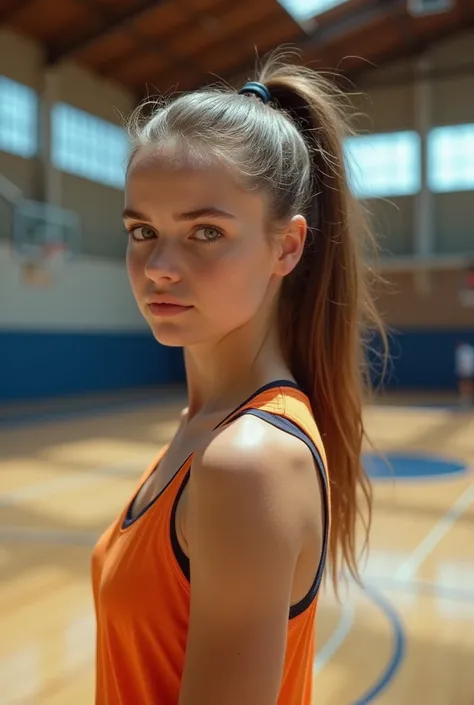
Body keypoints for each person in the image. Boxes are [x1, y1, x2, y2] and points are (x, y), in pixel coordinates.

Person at [91, 51, 384, 705]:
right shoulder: (207, 430)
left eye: (204, 231)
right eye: (142, 230)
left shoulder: (247, 461)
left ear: (287, 245)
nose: (159, 266)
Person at [455, 341, 474, 406]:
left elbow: (466, 363)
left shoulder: (466, 350)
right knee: (464, 384)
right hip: (466, 371)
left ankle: (468, 398)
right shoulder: (461, 351)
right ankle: (465, 398)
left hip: (466, 371)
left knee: (467, 384)